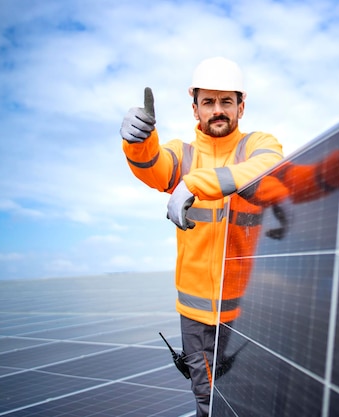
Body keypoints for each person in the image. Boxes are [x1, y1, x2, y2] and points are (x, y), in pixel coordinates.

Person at [119, 56, 283, 417]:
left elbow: (267, 167)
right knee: (208, 403)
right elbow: (153, 167)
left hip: (244, 312)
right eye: (208, 102)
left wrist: (196, 183)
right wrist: (140, 141)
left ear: (242, 106)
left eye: (227, 101)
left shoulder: (257, 145)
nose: (218, 110)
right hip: (194, 317)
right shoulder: (183, 154)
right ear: (195, 108)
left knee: (247, 401)